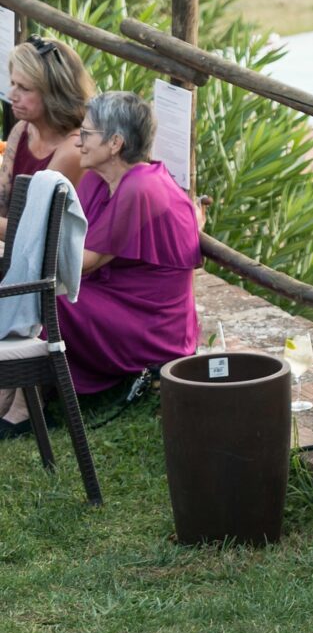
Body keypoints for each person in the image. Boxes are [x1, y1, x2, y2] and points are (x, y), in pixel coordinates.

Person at [0, 90, 200, 426]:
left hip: (151, 322)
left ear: (115, 143)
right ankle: (20, 393)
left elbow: (81, 261)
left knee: (44, 295)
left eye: (87, 133)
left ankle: (19, 406)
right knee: (35, 288)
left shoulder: (141, 188)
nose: (78, 141)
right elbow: (65, 240)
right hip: (116, 296)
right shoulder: (97, 176)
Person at [0, 39, 95, 215]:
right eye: (13, 84)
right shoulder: (22, 129)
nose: (12, 95)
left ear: (54, 94)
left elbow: (33, 227)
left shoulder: (73, 149)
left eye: (24, 88)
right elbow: (2, 202)